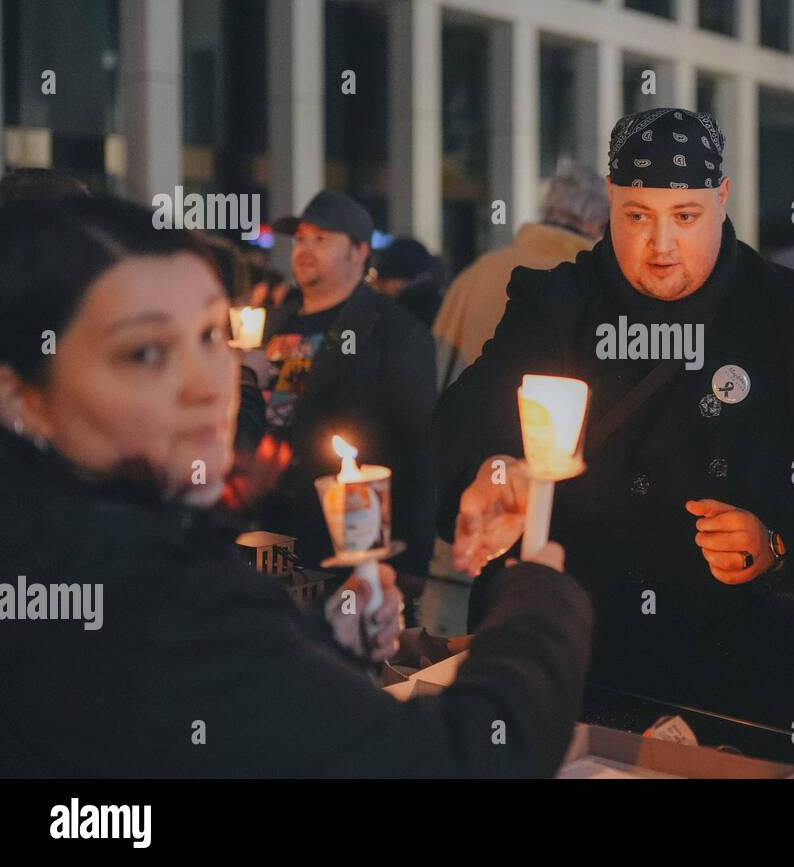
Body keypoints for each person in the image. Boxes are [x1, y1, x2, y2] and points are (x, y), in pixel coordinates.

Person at [0, 197, 593, 777]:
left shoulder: (71, 537)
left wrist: (317, 646)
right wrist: (539, 601)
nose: (208, 386)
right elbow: (456, 762)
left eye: (211, 334)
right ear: (20, 394)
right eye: (146, 352)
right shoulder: (144, 591)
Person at [433, 108, 794, 726]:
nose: (660, 245)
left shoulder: (793, 316)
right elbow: (467, 421)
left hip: (734, 683)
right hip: (575, 664)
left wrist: (776, 548)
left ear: (722, 199)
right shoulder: (556, 303)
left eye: (685, 216)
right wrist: (490, 478)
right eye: (637, 216)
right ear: (609, 205)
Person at [259, 191, 439, 602]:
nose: (304, 250)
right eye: (301, 239)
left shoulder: (393, 331)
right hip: (268, 530)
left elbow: (419, 448)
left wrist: (410, 561)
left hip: (345, 539)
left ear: (359, 252)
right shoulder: (273, 324)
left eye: (321, 240)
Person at [432, 158, 609, 393]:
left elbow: (437, 368)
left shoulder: (477, 273)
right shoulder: (590, 284)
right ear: (597, 222)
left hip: (469, 423)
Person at [369, 236, 445, 329]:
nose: (378, 288)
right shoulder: (441, 306)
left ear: (400, 280)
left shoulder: (402, 315)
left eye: (383, 282)